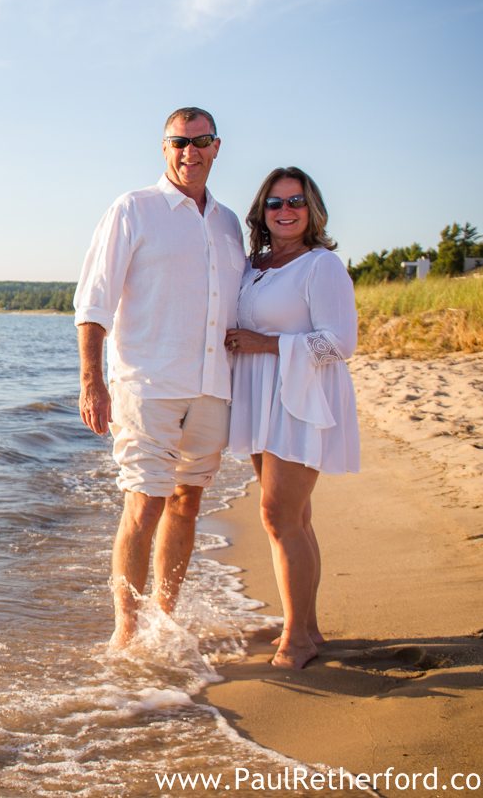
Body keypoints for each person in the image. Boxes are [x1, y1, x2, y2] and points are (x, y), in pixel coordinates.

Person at [75, 107, 246, 649]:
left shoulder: (227, 222)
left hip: (211, 385)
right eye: (179, 143)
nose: (189, 153)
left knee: (187, 501)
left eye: (201, 142)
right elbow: (93, 301)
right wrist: (91, 381)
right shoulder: (134, 210)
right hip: (147, 384)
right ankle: (126, 630)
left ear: (217, 147)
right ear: (164, 148)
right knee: (144, 502)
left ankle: (164, 618)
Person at [225, 167, 359, 670]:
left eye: (296, 201)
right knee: (295, 518)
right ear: (262, 211)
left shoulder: (321, 265)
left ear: (312, 209)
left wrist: (265, 344)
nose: (286, 211)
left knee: (279, 517)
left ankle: (297, 639)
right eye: (276, 203)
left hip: (300, 397)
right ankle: (310, 627)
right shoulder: (254, 265)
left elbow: (339, 343)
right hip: (261, 397)